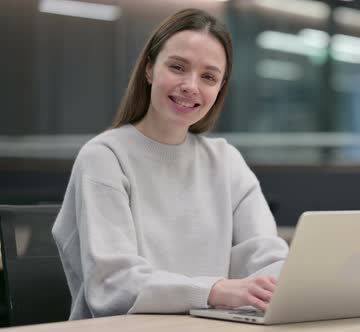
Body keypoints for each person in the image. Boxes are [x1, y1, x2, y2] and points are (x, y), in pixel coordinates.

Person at [52, 8, 289, 320]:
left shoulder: (226, 161)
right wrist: (215, 291)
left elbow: (267, 255)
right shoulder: (104, 157)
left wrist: (283, 287)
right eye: (178, 67)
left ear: (219, 88)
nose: (191, 85)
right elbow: (114, 284)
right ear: (149, 69)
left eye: (208, 77)